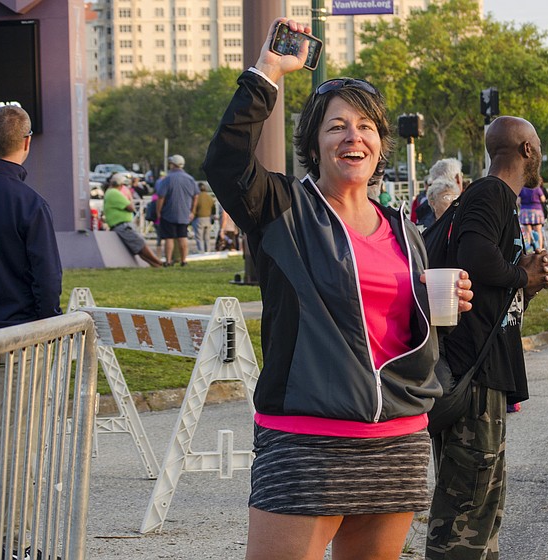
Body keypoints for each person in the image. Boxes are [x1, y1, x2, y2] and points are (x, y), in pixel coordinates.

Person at [201, 18, 474, 560]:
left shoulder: (403, 228)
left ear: (381, 145)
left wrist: (447, 300)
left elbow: (401, 325)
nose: (354, 137)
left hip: (396, 439)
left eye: (367, 127)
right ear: (314, 145)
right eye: (337, 127)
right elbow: (226, 163)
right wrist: (270, 71)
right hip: (306, 440)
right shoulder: (282, 210)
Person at [426, 115, 548, 560]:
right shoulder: (491, 192)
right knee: (465, 510)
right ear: (526, 150)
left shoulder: (489, 198)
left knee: (483, 508)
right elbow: (476, 256)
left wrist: (527, 284)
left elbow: (488, 295)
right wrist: (521, 273)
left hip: (480, 374)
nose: (539, 152)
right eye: (537, 144)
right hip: (473, 380)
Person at [0, 105, 62, 558]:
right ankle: (11, 543)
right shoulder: (30, 204)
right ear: (27, 142)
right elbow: (46, 281)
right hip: (20, 343)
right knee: (17, 444)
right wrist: (50, 330)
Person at [103, 173, 164, 267]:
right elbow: (131, 207)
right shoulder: (114, 193)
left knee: (138, 249)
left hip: (118, 225)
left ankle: (156, 265)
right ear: (120, 185)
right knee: (141, 244)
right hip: (123, 226)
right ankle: (159, 262)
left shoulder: (108, 192)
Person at [155, 154, 198, 266]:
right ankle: (184, 260)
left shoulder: (167, 179)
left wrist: (158, 212)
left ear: (173, 164)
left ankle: (168, 261)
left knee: (169, 238)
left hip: (169, 213)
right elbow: (196, 195)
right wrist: (192, 211)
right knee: (182, 237)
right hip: (184, 213)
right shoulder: (190, 179)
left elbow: (161, 197)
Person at [518, 177, 547, 252]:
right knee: (538, 230)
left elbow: (518, 201)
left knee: (527, 232)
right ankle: (539, 248)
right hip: (537, 211)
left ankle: (529, 250)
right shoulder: (537, 188)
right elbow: (543, 199)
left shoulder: (522, 189)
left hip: (525, 211)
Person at [192, 182, 216, 254]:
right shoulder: (210, 197)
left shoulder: (197, 197)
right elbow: (213, 208)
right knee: (207, 237)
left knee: (199, 237)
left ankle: (201, 251)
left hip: (199, 218)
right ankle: (208, 251)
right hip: (208, 218)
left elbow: (194, 208)